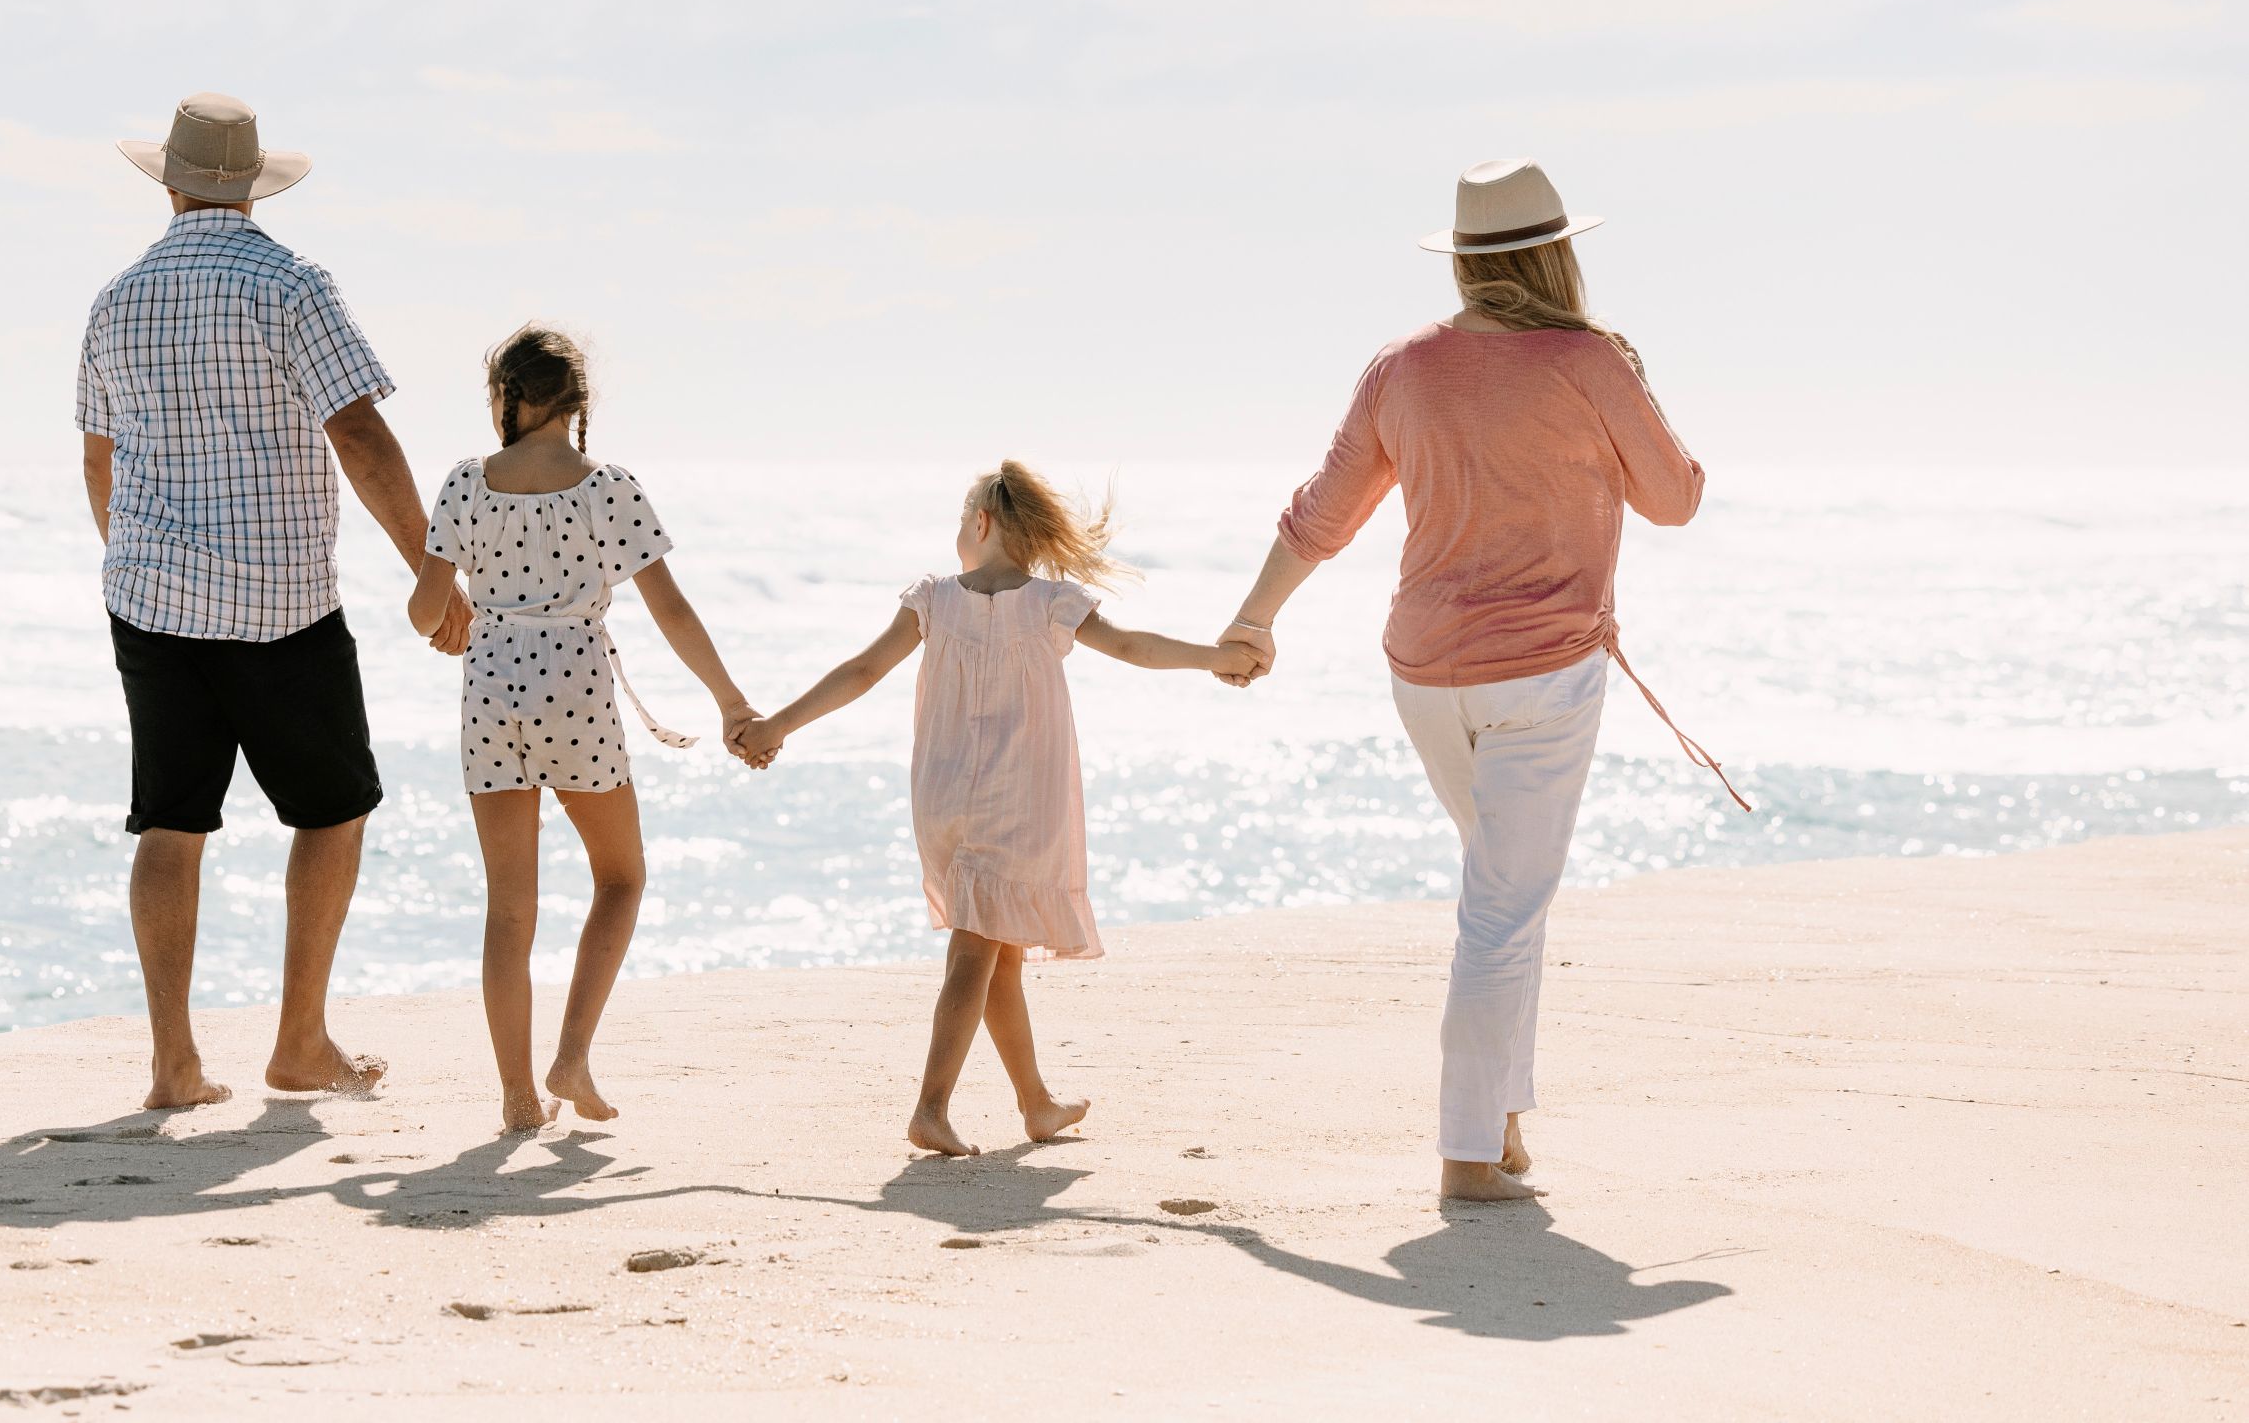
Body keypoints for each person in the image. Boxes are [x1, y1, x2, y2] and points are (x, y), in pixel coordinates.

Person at [1215, 159, 1704, 1203]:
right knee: (1501, 906)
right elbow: (1673, 498)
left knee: (1500, 886)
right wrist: (1627, 374)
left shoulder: (1402, 367)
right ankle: (1467, 1154)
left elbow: (1322, 510)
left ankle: (1503, 1117)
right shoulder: (1586, 359)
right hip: (1544, 672)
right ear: (1554, 250)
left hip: (1423, 673)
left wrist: (1256, 615)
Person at [75, 91, 473, 1113]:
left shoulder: (117, 297)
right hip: (280, 600)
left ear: (167, 181)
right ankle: (298, 1039)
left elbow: (98, 457)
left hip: (150, 598)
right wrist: (432, 569)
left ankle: (173, 1064)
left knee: (170, 821)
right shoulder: (291, 282)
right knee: (334, 810)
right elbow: (358, 437)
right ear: (249, 186)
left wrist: (139, 564)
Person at [734, 462, 1266, 1157]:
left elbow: (861, 671)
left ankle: (1036, 1103)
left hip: (942, 798)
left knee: (997, 950)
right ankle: (931, 1106)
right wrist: (1216, 657)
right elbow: (1136, 647)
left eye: (961, 520)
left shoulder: (932, 599)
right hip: (1015, 799)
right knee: (976, 947)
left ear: (980, 523)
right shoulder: (1050, 602)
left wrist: (779, 724)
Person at [407, 326, 759, 1132]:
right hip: (576, 686)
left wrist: (451, 609)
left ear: (508, 397)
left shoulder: (466, 482)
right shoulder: (609, 487)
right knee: (621, 877)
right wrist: (729, 701)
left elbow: (426, 610)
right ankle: (570, 1054)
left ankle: (518, 1098)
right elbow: (669, 606)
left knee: (508, 908)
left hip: (491, 691)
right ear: (574, 403)